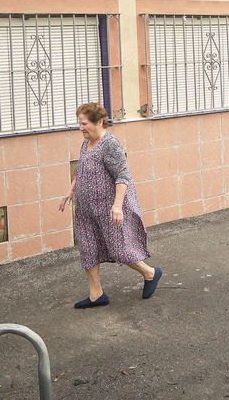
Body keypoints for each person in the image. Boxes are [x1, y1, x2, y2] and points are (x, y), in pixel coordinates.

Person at [56, 102, 161, 308]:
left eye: (84, 123)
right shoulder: (86, 143)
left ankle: (150, 273)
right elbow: (82, 170)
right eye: (79, 123)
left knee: (120, 249)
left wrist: (117, 206)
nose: (81, 128)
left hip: (109, 209)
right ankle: (96, 294)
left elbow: (123, 176)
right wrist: (70, 192)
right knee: (88, 248)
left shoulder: (110, 144)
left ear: (99, 122)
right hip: (86, 209)